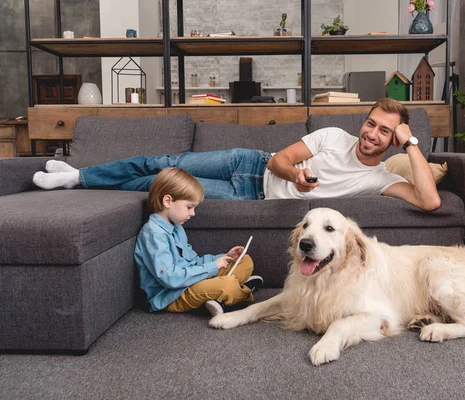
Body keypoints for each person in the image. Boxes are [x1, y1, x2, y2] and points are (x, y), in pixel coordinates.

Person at [33, 98, 440, 211]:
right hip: (248, 163)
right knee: (162, 162)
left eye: (384, 131)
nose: (371, 133)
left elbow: (429, 199)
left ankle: (82, 179)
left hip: (250, 198)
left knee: (161, 186)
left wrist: (413, 142)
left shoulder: (382, 179)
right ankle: (78, 176)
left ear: (393, 140)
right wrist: (295, 176)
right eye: (371, 123)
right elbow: (279, 159)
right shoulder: (333, 135)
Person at [134, 167, 263, 317]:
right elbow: (169, 278)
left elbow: (193, 261)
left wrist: (224, 257)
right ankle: (239, 291)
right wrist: (212, 267)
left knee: (244, 260)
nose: (193, 213)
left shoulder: (176, 227)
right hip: (172, 295)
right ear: (168, 201)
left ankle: (221, 296)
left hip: (190, 282)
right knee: (227, 286)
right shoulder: (154, 234)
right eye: (189, 207)